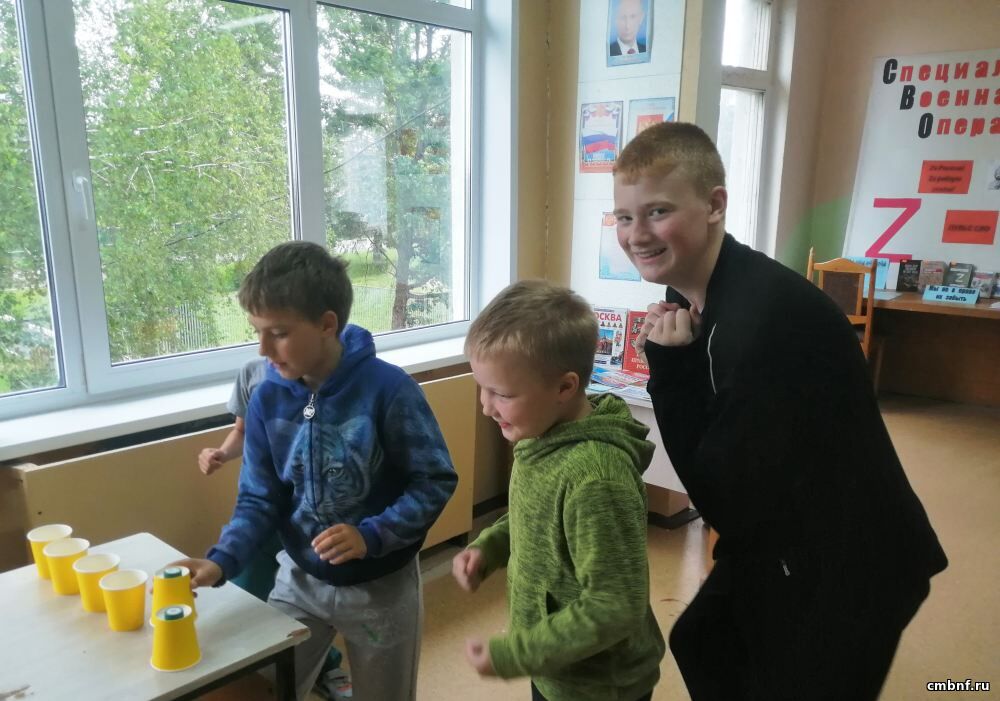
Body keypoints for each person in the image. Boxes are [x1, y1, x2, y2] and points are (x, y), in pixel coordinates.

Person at [612, 121, 948, 700]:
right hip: (785, 534)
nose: (636, 235)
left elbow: (718, 496)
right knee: (704, 643)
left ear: (715, 205)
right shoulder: (694, 290)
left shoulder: (760, 325)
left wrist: (671, 372)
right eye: (623, 217)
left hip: (854, 562)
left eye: (658, 212)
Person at [175, 241, 458, 701]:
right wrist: (220, 560)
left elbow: (434, 481)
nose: (263, 348)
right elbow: (258, 498)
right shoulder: (267, 399)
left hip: (382, 589)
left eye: (278, 332)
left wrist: (372, 534)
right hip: (299, 580)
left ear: (327, 324)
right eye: (257, 332)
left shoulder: (390, 390)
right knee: (262, 688)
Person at [452, 279, 666, 701]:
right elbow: (538, 514)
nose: (485, 406)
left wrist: (516, 653)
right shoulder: (542, 435)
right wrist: (492, 545)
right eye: (482, 388)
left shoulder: (597, 479)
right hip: (555, 663)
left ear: (565, 388)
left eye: (501, 393)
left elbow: (615, 605)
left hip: (599, 686)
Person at [197, 356, 352, 701]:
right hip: (260, 514)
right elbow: (242, 430)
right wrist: (221, 453)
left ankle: (328, 666)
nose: (269, 346)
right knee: (252, 599)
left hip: (307, 517)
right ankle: (262, 671)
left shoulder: (328, 375)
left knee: (312, 601)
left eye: (279, 332)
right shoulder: (251, 373)